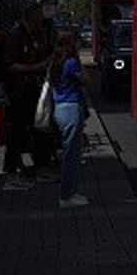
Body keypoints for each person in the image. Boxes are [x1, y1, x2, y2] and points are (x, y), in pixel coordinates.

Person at [2, 4, 51, 190]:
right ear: (31, 16)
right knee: (18, 131)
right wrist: (34, 68)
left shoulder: (35, 34)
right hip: (18, 91)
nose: (42, 18)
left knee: (38, 128)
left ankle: (41, 168)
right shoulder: (16, 35)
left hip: (32, 89)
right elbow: (10, 65)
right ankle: (11, 174)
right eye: (39, 15)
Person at [49, 30, 89, 208]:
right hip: (72, 108)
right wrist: (81, 64)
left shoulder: (55, 63)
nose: (80, 45)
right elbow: (86, 80)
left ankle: (71, 192)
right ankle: (67, 195)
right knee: (72, 155)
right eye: (77, 42)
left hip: (59, 108)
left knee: (69, 152)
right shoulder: (72, 63)